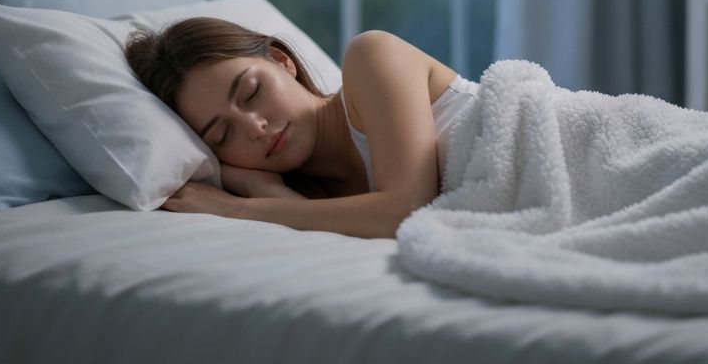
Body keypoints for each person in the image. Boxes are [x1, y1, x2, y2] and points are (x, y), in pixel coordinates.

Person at [125, 19, 479, 240]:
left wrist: (237, 209)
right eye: (223, 135)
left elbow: (405, 210)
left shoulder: (372, 56)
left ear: (282, 61)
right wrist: (265, 191)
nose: (255, 127)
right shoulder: (321, 207)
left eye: (252, 92)